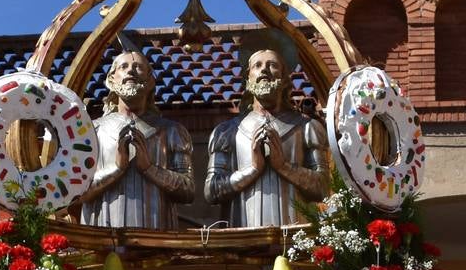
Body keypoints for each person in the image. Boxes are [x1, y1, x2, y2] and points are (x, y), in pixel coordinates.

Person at [74, 46, 195, 231]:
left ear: (150, 81)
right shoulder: (92, 130)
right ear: (111, 80)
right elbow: (76, 192)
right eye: (123, 67)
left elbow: (188, 190)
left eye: (138, 67)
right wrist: (116, 169)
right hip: (102, 238)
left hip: (156, 237)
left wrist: (149, 169)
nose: (130, 70)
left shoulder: (172, 131)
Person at [205, 46, 326, 229]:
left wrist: (283, 166)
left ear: (285, 78)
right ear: (248, 77)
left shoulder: (307, 127)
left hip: (297, 239)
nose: (264, 70)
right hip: (242, 239)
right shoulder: (226, 131)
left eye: (272, 65)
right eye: (257, 65)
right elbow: (211, 191)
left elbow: (323, 187)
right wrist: (252, 170)